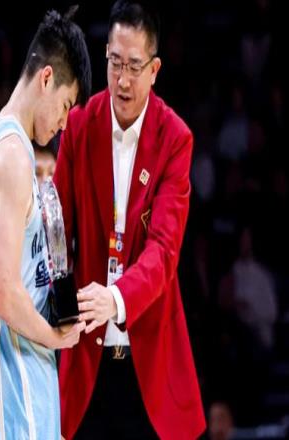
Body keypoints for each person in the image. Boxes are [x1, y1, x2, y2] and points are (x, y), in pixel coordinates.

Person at [53, 1, 206, 439]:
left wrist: (116, 298)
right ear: (104, 54)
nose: (122, 79)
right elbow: (57, 233)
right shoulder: (79, 125)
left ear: (154, 69)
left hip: (148, 368)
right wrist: (62, 314)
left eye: (134, 67)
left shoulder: (175, 138)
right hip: (86, 362)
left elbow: (164, 250)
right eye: (115, 62)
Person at [0, 8, 91, 440]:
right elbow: (1, 292)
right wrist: (56, 338)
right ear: (46, 78)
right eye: (66, 105)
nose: (64, 122)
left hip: (21, 385)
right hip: (16, 391)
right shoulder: (15, 158)